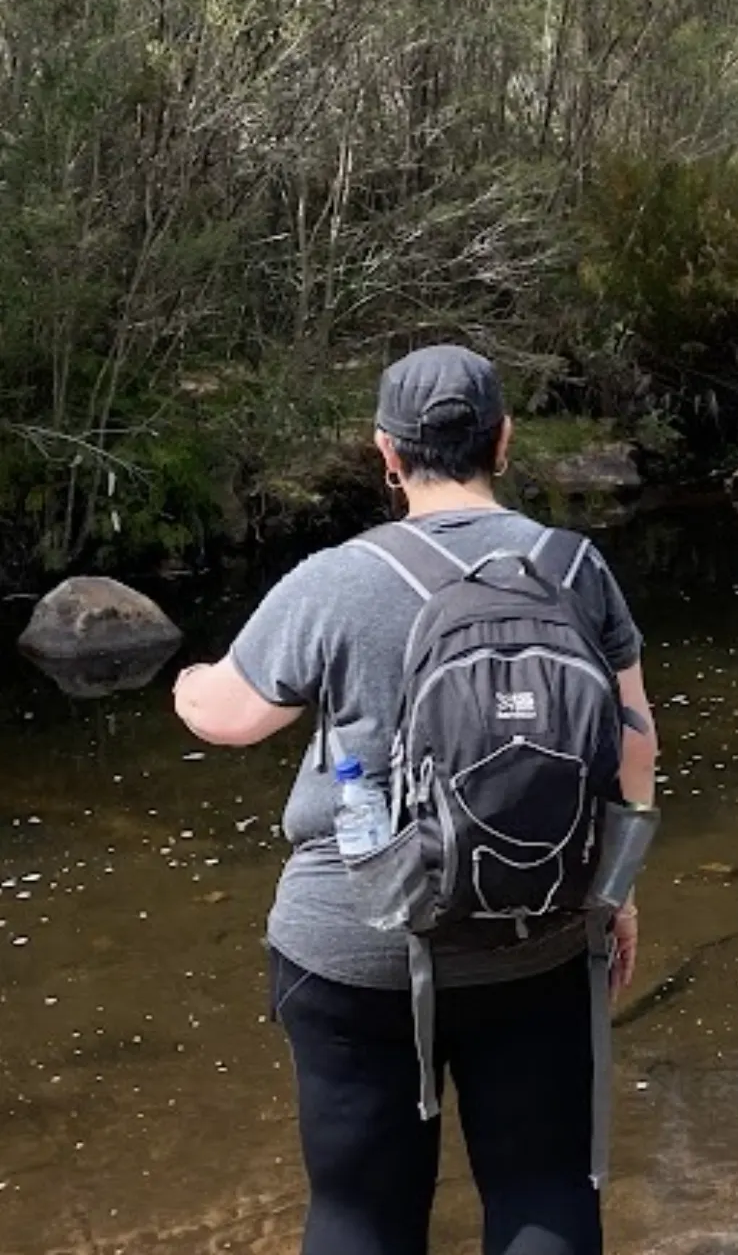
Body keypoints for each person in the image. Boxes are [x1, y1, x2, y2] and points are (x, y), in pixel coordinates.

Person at [173, 345, 657, 1255]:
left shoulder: (334, 578)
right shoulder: (577, 567)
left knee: (361, 1212)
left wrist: (190, 679)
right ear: (504, 441)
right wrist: (616, 891)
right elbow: (635, 744)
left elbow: (229, 718)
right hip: (539, 929)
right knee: (544, 1187)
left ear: (386, 454)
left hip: (353, 941)